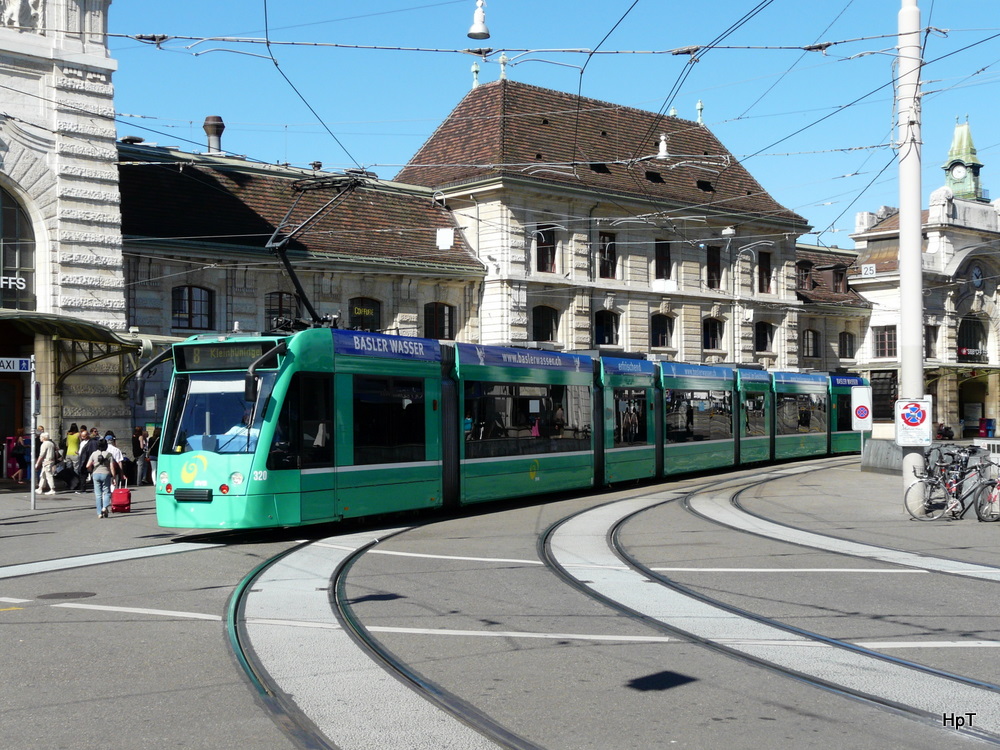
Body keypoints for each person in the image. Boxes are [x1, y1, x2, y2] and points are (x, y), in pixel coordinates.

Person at [86, 438, 118, 518]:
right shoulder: (109, 454)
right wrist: (113, 477)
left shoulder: (94, 454)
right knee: (107, 491)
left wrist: (91, 471)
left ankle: (99, 513)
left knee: (98, 494)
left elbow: (87, 465)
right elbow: (112, 467)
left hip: (96, 474)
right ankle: (105, 507)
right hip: (105, 474)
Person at [63, 423, 80, 491]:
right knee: (76, 469)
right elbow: (81, 442)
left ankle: (68, 483)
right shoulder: (78, 434)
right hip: (75, 453)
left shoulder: (68, 434)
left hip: (68, 453)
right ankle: (76, 483)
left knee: (69, 469)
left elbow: (67, 444)